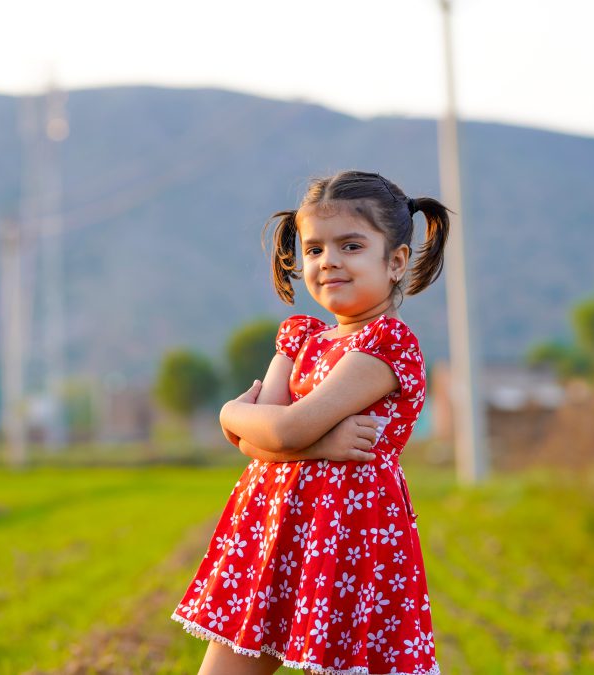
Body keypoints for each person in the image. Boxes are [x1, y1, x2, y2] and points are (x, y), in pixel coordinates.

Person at [171, 171, 446, 675]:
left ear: (396, 262)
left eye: (351, 245)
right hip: (276, 526)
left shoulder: (385, 344)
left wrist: (235, 412)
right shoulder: (301, 338)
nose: (329, 261)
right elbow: (253, 443)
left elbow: (281, 430)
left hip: (348, 536)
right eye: (315, 249)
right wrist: (305, 439)